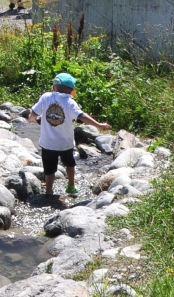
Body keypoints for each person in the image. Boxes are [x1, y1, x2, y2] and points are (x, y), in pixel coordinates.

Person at [25, 72, 110, 201]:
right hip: (65, 144)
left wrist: (30, 118)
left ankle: (49, 191)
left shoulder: (46, 97)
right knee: (70, 165)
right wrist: (99, 125)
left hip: (48, 144)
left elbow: (34, 112)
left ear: (54, 87)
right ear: (71, 91)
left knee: (49, 170)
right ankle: (71, 185)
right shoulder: (70, 102)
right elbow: (81, 115)